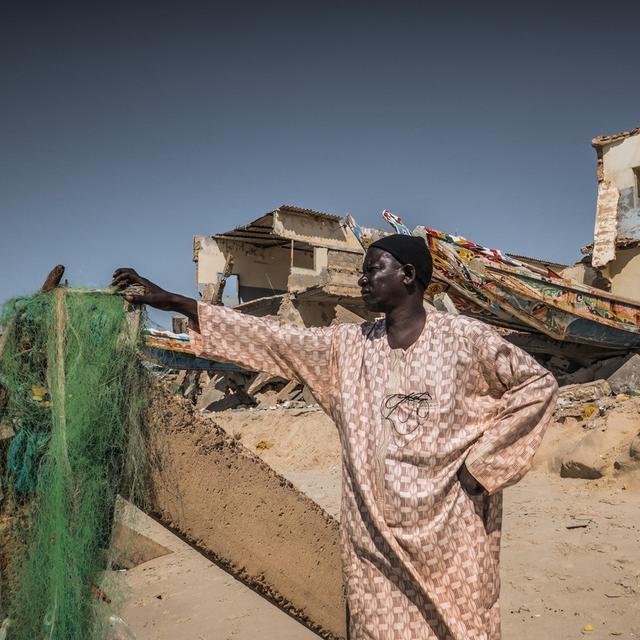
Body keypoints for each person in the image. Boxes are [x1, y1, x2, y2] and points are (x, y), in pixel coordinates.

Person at [112, 234, 557, 640]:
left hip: (451, 531)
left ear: (408, 275)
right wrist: (179, 303)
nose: (362, 279)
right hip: (374, 539)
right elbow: (273, 339)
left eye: (373, 269)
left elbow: (536, 386)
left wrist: (484, 467)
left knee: (463, 625)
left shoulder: (467, 339)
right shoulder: (347, 347)